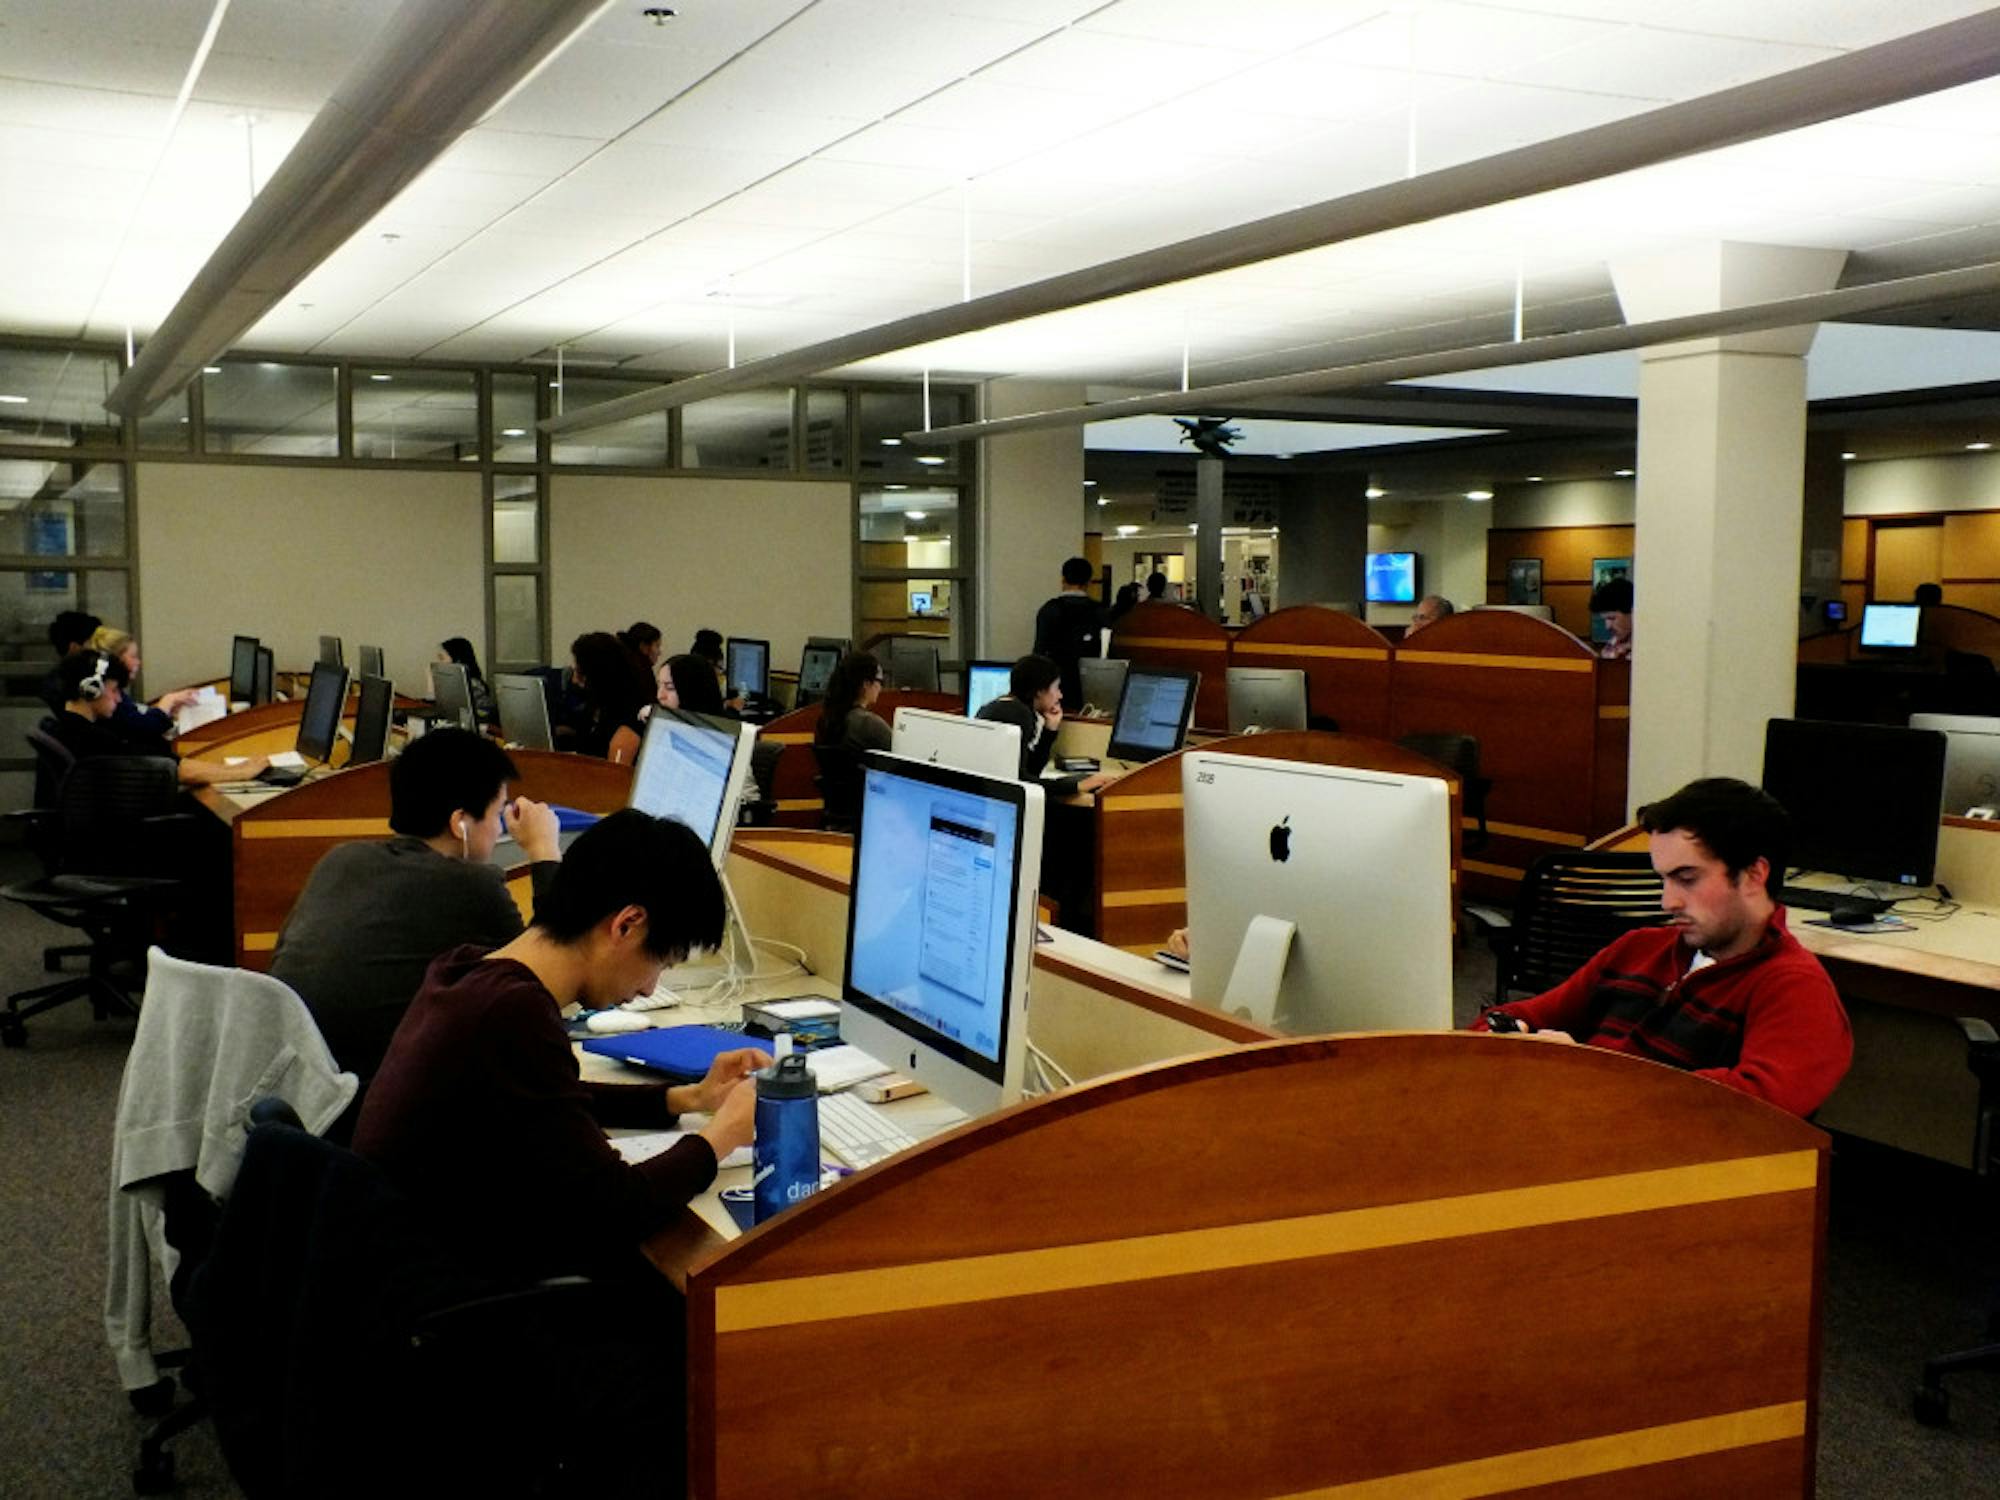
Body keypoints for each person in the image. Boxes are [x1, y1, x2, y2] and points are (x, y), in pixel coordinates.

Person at [353, 809, 766, 1287]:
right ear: (627, 925)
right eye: (663, 962)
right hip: (447, 1295)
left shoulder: (468, 970)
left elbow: (552, 1100)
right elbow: (616, 1210)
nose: (650, 988)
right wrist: (722, 1137)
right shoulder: (512, 1013)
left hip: (402, 1262)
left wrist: (687, 1098)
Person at [1478, 777, 1852, 1119]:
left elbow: (1756, 1109)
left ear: (1754, 875)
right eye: (1663, 880)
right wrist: (1509, 1036)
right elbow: (1514, 1016)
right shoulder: (1639, 947)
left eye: (1686, 879)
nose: (1667, 901)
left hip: (1656, 1161)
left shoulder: (1795, 987)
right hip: (1572, 1129)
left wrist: (1587, 1073)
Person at [270, 728, 563, 1097]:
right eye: (496, 815)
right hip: (365, 1102)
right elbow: (549, 976)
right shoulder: (471, 886)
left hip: (290, 1091)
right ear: (460, 823)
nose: (498, 829)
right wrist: (543, 849)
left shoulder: (341, 859)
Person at [42, 651, 263, 786]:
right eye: (114, 690)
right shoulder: (93, 738)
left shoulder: (70, 727)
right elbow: (175, 771)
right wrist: (242, 772)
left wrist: (234, 770)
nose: (118, 699)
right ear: (91, 690)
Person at [975, 654, 1117, 794]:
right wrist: (1075, 786)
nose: (1060, 695)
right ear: (1040, 691)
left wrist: (1050, 729)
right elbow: (1021, 783)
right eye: (1056, 688)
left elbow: (1030, 772)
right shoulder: (1018, 714)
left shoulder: (996, 707)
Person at [88, 627, 201, 743]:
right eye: (133, 656)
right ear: (116, 659)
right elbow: (141, 728)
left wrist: (167, 711)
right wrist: (169, 700)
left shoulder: (118, 693)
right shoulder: (107, 697)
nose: (138, 662)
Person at [1033, 556, 1107, 712]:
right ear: (1088, 582)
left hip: (1054, 686)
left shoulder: (1049, 610)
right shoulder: (1099, 611)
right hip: (1091, 686)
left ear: (1063, 579)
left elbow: (1038, 653)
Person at [569, 630, 653, 764]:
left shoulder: (630, 717)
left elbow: (615, 771)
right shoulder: (595, 705)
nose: (574, 680)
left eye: (579, 672)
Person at [814, 651, 891, 757]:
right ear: (866, 684)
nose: (881, 687)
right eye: (880, 681)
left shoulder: (825, 719)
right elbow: (902, 756)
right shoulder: (869, 724)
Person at [39, 609, 101, 714]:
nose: (98, 648)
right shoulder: (68, 685)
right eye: (93, 642)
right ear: (74, 647)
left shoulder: (55, 681)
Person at [438, 636, 496, 725]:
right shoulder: (453, 682)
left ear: (457, 660)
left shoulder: (472, 684)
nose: (440, 663)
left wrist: (430, 682)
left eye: (442, 658)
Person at [1590, 577, 1633, 659]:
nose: (1607, 626)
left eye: (1612, 618)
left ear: (1632, 613)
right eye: (1605, 620)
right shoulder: (1612, 645)